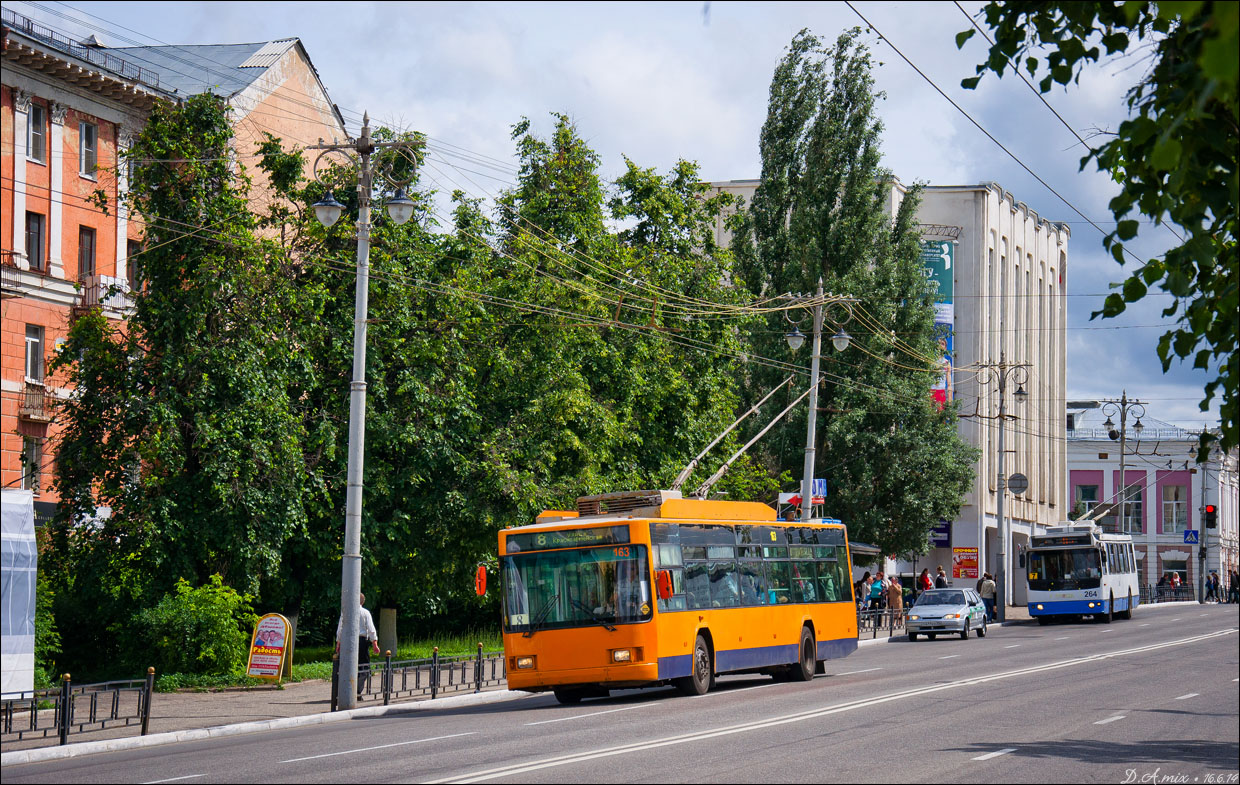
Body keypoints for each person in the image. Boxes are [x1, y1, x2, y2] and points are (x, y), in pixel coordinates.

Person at [336, 592, 381, 698]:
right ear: (362, 602)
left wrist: (339, 642)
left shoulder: (345, 612)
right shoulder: (365, 612)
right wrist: (374, 643)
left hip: (347, 641)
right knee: (363, 667)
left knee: (346, 666)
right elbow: (371, 629)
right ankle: (356, 692)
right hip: (361, 642)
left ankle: (345, 691)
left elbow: (340, 629)